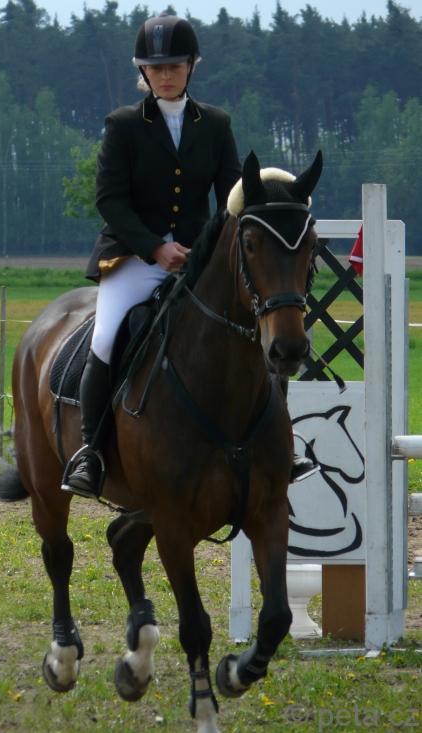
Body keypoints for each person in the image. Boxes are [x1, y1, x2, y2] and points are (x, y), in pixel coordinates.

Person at [61, 14, 315, 499]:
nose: (166, 74)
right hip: (134, 259)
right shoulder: (123, 125)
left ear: (191, 66)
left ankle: (283, 441)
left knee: (256, 330)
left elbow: (233, 196)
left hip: (198, 261)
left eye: (175, 65)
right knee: (107, 338)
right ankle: (91, 452)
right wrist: (154, 246)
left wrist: (214, 246)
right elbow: (110, 199)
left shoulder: (215, 124)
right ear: (144, 71)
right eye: (156, 67)